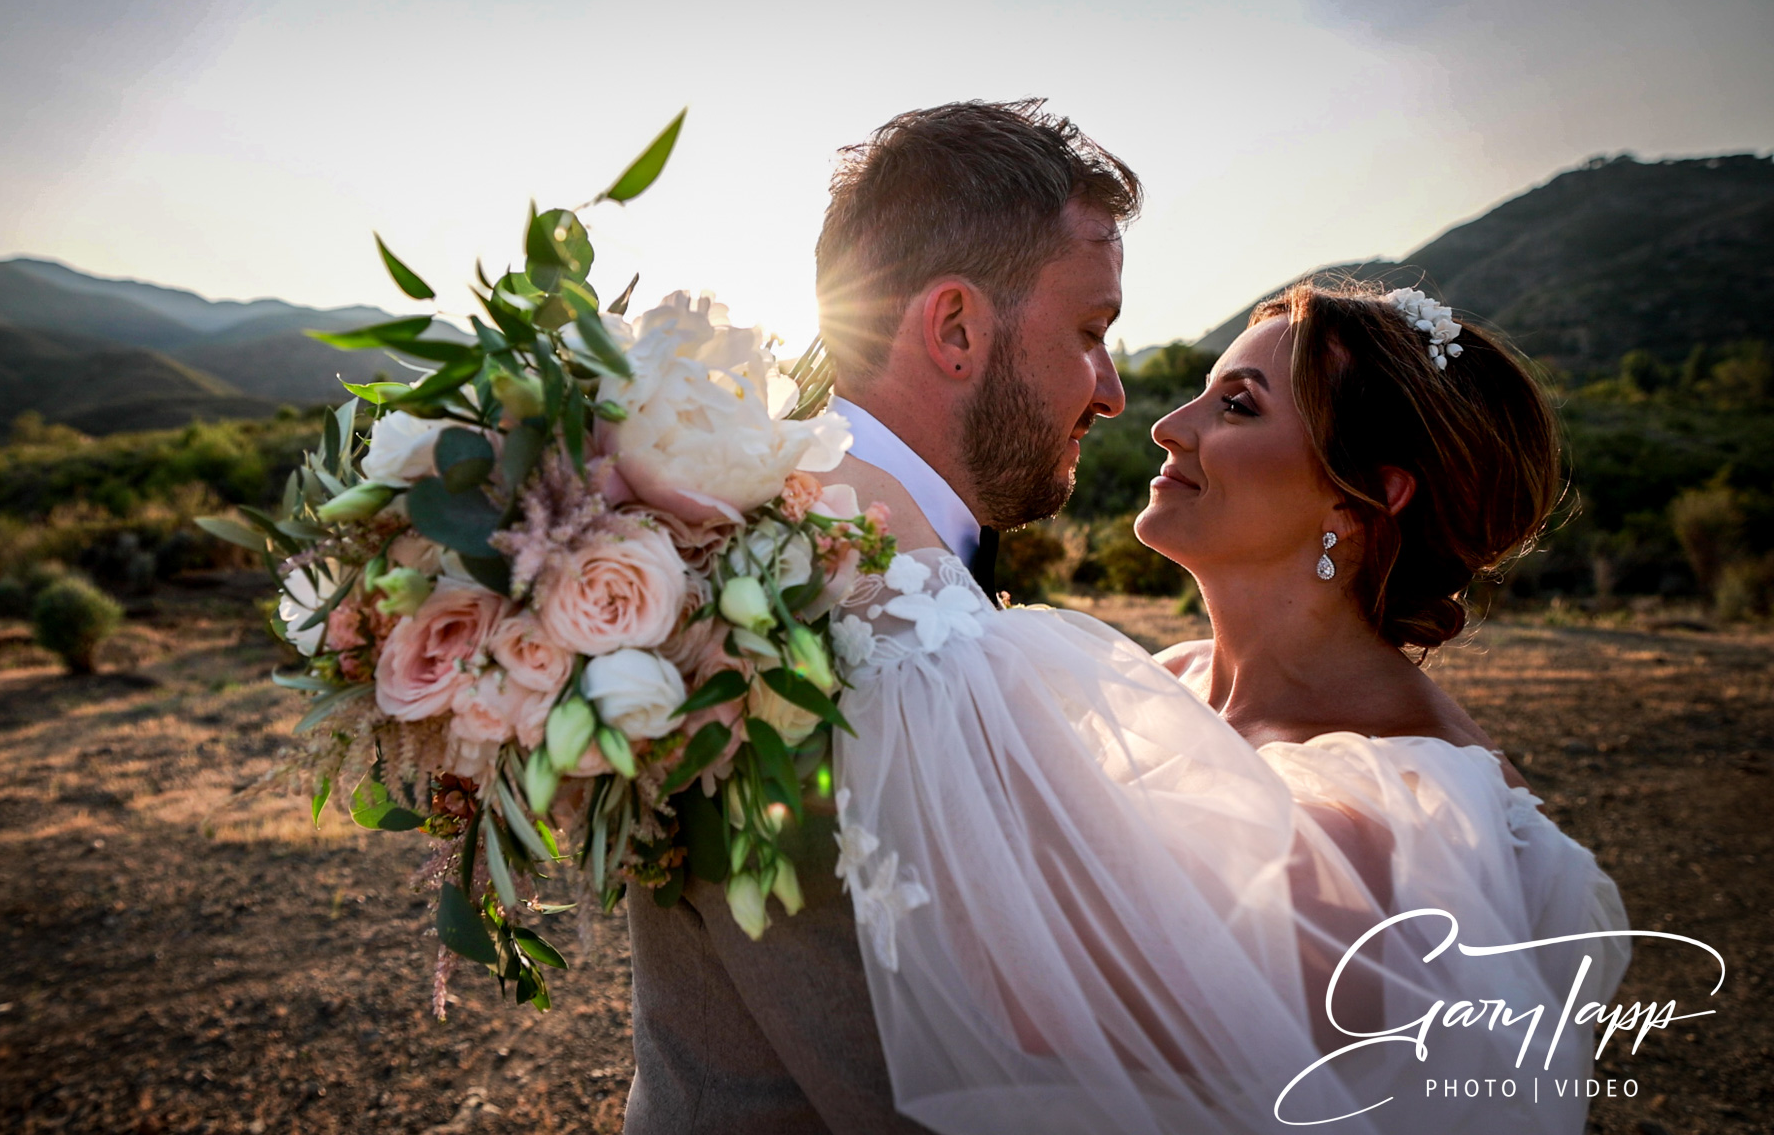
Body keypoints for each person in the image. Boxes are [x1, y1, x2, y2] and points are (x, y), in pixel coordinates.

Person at [832, 277, 1629, 1133]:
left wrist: (891, 550)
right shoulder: (1165, 678)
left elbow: (1048, 1003)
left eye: (1239, 407)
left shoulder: (1406, 814)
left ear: (1365, 498)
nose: (1169, 426)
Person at [621, 98, 1137, 1135]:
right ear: (954, 328)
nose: (1113, 391)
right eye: (1090, 332)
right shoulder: (885, 625)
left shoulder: (727, 537)